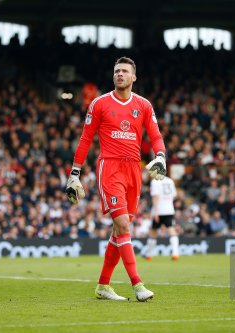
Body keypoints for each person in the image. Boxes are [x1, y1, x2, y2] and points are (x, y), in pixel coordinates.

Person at [66, 57, 166, 302]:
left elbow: (155, 135)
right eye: (116, 71)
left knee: (118, 231)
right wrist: (74, 173)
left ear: (133, 77)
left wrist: (161, 157)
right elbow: (85, 139)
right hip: (109, 168)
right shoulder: (99, 103)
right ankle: (138, 285)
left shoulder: (143, 105)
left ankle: (103, 285)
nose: (120, 74)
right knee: (123, 225)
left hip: (134, 170)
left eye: (124, 71)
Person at [145, 176, 179, 261]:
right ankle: (175, 253)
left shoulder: (155, 181)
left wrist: (156, 211)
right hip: (169, 209)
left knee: (153, 232)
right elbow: (174, 194)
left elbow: (155, 196)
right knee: (171, 229)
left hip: (159, 210)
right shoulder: (170, 180)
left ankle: (149, 254)